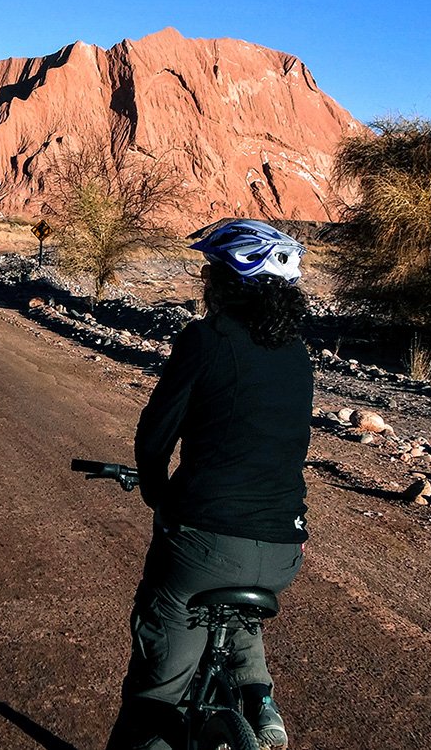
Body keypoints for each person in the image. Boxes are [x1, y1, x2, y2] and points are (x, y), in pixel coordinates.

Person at [106, 219, 314, 750]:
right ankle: (257, 700)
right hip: (286, 548)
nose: (204, 280)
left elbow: (156, 435)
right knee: (239, 614)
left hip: (206, 545)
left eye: (210, 271)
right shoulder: (298, 355)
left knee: (156, 691)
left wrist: (158, 491)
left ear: (228, 281)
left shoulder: (205, 338)